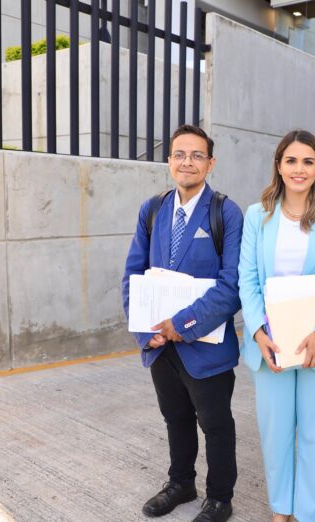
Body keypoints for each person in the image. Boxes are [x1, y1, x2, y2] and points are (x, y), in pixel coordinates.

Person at [238, 129, 315, 522]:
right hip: (272, 343)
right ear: (278, 165)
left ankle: (310, 515)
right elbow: (248, 278)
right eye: (291, 160)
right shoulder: (257, 214)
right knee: (276, 435)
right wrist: (258, 331)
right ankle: (281, 509)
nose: (299, 168)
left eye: (308, 161)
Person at [122, 125, 243, 522]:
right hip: (161, 345)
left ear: (211, 162)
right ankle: (181, 483)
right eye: (179, 154)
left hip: (205, 345)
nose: (187, 162)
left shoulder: (225, 212)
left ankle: (220, 497)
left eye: (196, 155)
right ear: (169, 160)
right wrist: (146, 331)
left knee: (216, 424)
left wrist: (182, 323)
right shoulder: (152, 209)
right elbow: (133, 275)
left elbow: (232, 286)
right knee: (175, 418)